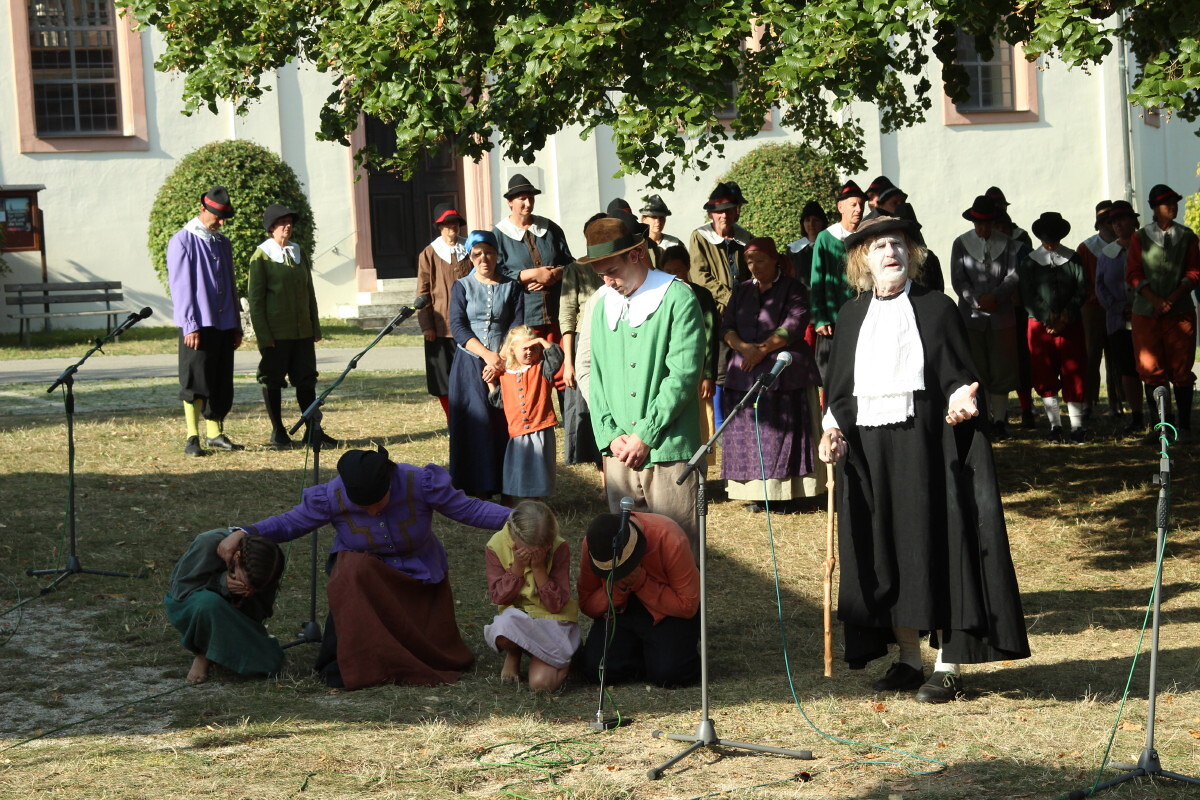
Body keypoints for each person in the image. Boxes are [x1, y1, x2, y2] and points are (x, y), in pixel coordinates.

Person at [818, 215, 1030, 704]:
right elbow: (841, 391)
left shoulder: (937, 308)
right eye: (877, 246)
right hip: (870, 451)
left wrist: (962, 397)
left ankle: (948, 665)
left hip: (928, 444)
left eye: (897, 244)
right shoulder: (850, 317)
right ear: (862, 261)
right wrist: (832, 431)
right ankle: (909, 659)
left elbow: (957, 372)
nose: (889, 251)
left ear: (911, 255)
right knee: (886, 547)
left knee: (938, 542)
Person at [232, 446, 512, 689]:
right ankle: (357, 662)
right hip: (367, 580)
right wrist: (244, 531)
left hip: (419, 574)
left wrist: (517, 518)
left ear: (389, 484)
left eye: (378, 502)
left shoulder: (419, 481)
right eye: (362, 507)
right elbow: (290, 522)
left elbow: (469, 509)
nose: (372, 512)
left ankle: (414, 655)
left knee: (436, 654)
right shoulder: (332, 495)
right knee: (351, 567)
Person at [583, 215, 706, 557]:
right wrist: (609, 435)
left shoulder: (677, 298)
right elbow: (596, 377)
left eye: (613, 270)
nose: (608, 281)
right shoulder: (602, 305)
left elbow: (682, 376)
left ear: (636, 255)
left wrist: (646, 434)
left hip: (669, 452)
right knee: (626, 557)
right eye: (600, 273)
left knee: (676, 554)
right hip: (619, 452)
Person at [720, 237, 822, 510]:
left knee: (781, 435)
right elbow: (727, 326)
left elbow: (795, 324)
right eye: (749, 261)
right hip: (745, 370)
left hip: (783, 371)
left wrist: (762, 350)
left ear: (775, 259)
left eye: (760, 260)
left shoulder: (793, 288)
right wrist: (744, 349)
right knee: (749, 433)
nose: (754, 266)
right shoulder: (740, 291)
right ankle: (754, 491)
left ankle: (787, 492)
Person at [247, 203, 337, 450]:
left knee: (306, 380)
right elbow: (256, 300)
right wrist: (264, 335)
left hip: (302, 332)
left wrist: (314, 327)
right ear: (271, 227)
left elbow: (309, 292)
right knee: (272, 379)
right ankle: (278, 431)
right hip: (277, 332)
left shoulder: (298, 252)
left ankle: (312, 431)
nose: (287, 226)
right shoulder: (262, 256)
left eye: (290, 222)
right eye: (282, 222)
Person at [577, 511, 700, 687]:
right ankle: (646, 655)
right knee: (596, 670)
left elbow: (688, 605)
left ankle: (658, 656)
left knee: (670, 674)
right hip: (621, 611)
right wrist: (619, 587)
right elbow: (587, 605)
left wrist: (641, 582)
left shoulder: (668, 536)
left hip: (669, 610)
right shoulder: (593, 546)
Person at [448, 230, 525, 498]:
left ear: (497, 254)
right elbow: (458, 326)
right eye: (477, 254)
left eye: (489, 253)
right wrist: (486, 355)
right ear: (470, 256)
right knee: (476, 422)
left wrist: (501, 358)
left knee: (504, 423)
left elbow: (517, 325)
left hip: (506, 361)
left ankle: (507, 484)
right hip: (469, 363)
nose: (484, 258)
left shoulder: (512, 286)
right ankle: (476, 487)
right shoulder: (461, 286)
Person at [168, 185, 244, 456]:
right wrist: (190, 324)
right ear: (203, 209)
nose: (221, 223)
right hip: (199, 324)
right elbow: (181, 287)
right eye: (217, 217)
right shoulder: (182, 241)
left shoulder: (223, 243)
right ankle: (192, 437)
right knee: (195, 380)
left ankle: (215, 433)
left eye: (224, 217)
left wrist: (236, 325)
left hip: (224, 323)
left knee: (220, 380)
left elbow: (232, 286)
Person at [1126, 183, 1200, 437]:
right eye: (1167, 203)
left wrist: (1173, 297)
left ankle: (1186, 426)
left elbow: (1194, 271)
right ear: (1154, 209)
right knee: (1150, 368)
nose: (1173, 207)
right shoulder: (1140, 237)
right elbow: (1133, 272)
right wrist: (1155, 299)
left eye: (1175, 202)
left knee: (1181, 368)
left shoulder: (1188, 236)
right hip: (1147, 311)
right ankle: (1162, 425)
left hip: (1179, 311)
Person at [165, 528, 286, 683]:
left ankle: (220, 649)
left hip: (233, 613)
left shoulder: (268, 563)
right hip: (189, 605)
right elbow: (180, 590)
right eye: (245, 583)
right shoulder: (208, 543)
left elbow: (260, 613)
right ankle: (203, 653)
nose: (249, 591)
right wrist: (221, 583)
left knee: (270, 663)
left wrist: (248, 596)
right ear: (237, 557)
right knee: (209, 603)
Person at [949, 195, 1026, 438]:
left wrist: (997, 297)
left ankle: (1001, 419)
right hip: (971, 317)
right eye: (978, 224)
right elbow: (958, 278)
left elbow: (1013, 275)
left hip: (1001, 316)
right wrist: (976, 300)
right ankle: (981, 418)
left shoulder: (1009, 244)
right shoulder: (961, 244)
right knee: (977, 369)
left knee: (1002, 369)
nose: (982, 229)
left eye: (986, 224)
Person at [483, 501, 579, 692]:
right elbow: (499, 597)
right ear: (512, 534)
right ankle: (515, 652)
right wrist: (517, 567)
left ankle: (560, 657)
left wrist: (538, 567)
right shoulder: (496, 545)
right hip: (518, 617)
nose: (531, 553)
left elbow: (556, 605)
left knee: (541, 684)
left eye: (539, 550)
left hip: (552, 620)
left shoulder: (559, 547)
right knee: (502, 630)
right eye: (526, 548)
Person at [1017, 212, 1088, 443]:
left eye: (1053, 238)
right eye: (1047, 238)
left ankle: (1077, 426)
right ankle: (1055, 426)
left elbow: (1081, 290)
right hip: (1040, 327)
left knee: (1074, 372)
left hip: (1070, 325)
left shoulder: (1073, 259)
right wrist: (1048, 318)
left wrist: (1064, 317)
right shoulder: (1030, 261)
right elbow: (1028, 294)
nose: (1050, 243)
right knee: (1044, 373)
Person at [659, 246, 719, 469]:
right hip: (670, 369)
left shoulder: (702, 295)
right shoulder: (660, 297)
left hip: (698, 369)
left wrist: (709, 374)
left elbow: (710, 336)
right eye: (668, 272)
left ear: (687, 269)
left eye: (679, 271)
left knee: (702, 418)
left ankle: (701, 462)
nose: (674, 277)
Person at [489, 326, 564, 501]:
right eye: (525, 348)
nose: (530, 352)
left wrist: (540, 340)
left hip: (540, 429)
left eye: (533, 348)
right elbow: (498, 401)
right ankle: (524, 503)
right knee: (521, 469)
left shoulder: (542, 368)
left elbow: (557, 356)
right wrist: (490, 382)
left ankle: (537, 502)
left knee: (539, 469)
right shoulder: (506, 375)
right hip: (518, 432)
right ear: (513, 350)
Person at [558, 215, 607, 481]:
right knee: (589, 409)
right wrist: (569, 361)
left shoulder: (617, 267)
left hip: (612, 341)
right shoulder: (575, 270)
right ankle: (604, 479)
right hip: (583, 342)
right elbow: (566, 317)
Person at [494, 174, 572, 334]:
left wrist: (556, 274)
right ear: (510, 202)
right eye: (522, 199)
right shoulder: (499, 234)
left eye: (531, 198)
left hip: (557, 311)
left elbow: (571, 264)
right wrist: (528, 275)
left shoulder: (550, 229)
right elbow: (495, 273)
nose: (528, 204)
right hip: (521, 316)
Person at [1094, 200, 1146, 436]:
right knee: (1127, 369)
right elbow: (1100, 286)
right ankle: (1136, 415)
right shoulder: (1107, 253)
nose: (1118, 225)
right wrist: (1117, 307)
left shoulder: (1147, 247)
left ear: (1134, 221)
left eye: (1122, 220)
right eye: (1113, 222)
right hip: (1118, 320)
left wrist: (1140, 304)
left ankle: (1161, 413)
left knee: (1152, 366)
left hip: (1146, 315)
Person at [416, 205, 470, 421]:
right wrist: (427, 325)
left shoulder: (470, 248)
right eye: (447, 224)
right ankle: (453, 417)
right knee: (443, 380)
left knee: (469, 376)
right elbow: (423, 291)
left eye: (455, 223)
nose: (452, 228)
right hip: (440, 327)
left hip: (468, 323)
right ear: (440, 227)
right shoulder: (429, 253)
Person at [810, 181, 866, 380]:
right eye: (853, 204)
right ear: (840, 207)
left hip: (865, 311)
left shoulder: (868, 235)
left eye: (861, 204)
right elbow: (817, 278)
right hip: (835, 318)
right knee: (836, 375)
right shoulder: (826, 238)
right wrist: (820, 316)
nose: (858, 209)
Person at [1075, 201, 1119, 419]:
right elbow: (1080, 281)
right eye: (1108, 222)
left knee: (1116, 356)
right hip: (1092, 308)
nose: (1112, 226)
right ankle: (1088, 402)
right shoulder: (1086, 248)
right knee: (1092, 355)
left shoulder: (1123, 245)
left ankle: (1116, 402)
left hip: (1117, 307)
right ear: (1101, 224)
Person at [688, 181, 753, 312]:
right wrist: (729, 298)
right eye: (719, 211)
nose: (724, 215)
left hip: (744, 308)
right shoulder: (700, 236)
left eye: (728, 210)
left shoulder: (746, 238)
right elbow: (699, 276)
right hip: (714, 310)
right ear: (710, 214)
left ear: (735, 212)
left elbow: (754, 272)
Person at [786, 200, 829, 288]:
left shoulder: (829, 247)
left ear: (822, 223)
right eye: (807, 220)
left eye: (815, 220)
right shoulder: (794, 249)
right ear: (803, 223)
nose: (811, 224)